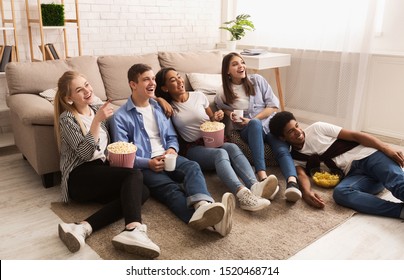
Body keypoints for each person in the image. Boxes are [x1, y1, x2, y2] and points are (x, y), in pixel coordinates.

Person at [109, 63, 235, 237]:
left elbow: (172, 137)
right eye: (146, 79)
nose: (152, 83)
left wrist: (172, 150)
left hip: (168, 156)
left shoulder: (160, 108)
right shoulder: (120, 117)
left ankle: (202, 206)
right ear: (133, 84)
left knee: (192, 167)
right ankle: (211, 224)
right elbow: (122, 154)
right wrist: (149, 163)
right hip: (146, 165)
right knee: (171, 190)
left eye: (153, 79)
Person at [54, 70, 161, 258]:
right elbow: (86, 154)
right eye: (79, 90)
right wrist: (97, 120)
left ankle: (83, 228)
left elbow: (128, 111)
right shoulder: (67, 119)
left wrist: (160, 100)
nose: (87, 90)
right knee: (134, 175)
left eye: (87, 84)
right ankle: (134, 228)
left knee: (142, 191)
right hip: (78, 177)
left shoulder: (96, 109)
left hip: (99, 171)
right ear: (69, 98)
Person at [154, 67, 280, 212]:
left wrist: (216, 117)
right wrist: (159, 99)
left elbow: (211, 119)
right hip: (194, 148)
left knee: (232, 147)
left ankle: (254, 185)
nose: (179, 81)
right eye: (172, 80)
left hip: (213, 139)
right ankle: (242, 195)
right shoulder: (168, 106)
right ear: (164, 88)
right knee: (221, 154)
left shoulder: (199, 96)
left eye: (178, 77)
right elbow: (144, 97)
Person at [269, 111, 404, 219]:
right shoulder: (295, 157)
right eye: (291, 131)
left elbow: (356, 136)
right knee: (340, 194)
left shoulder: (317, 128)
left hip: (369, 156)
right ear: (282, 138)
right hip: (355, 175)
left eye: (297, 126)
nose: (298, 132)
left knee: (399, 186)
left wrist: (386, 148)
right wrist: (307, 192)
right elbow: (301, 175)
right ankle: (399, 211)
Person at [215, 52, 301, 202]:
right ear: (227, 71)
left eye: (242, 62)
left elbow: (273, 106)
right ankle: (262, 177)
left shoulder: (257, 80)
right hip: (249, 131)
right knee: (254, 124)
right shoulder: (223, 92)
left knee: (281, 149)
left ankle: (292, 184)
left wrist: (253, 119)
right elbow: (220, 107)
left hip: (270, 126)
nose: (241, 66)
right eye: (235, 64)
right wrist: (230, 115)